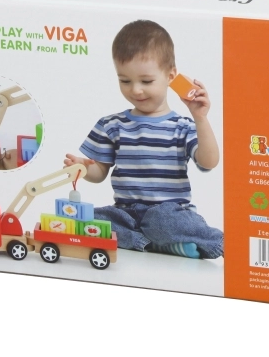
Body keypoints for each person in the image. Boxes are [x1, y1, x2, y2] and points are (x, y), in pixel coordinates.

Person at [65, 20, 223, 259]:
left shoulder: (182, 126)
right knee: (89, 220)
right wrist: (84, 168)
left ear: (170, 76)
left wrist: (200, 118)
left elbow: (209, 162)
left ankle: (208, 241)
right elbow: (99, 174)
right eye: (125, 81)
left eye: (146, 81)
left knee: (164, 222)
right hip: (125, 214)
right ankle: (158, 244)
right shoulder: (112, 125)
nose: (135, 90)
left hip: (168, 212)